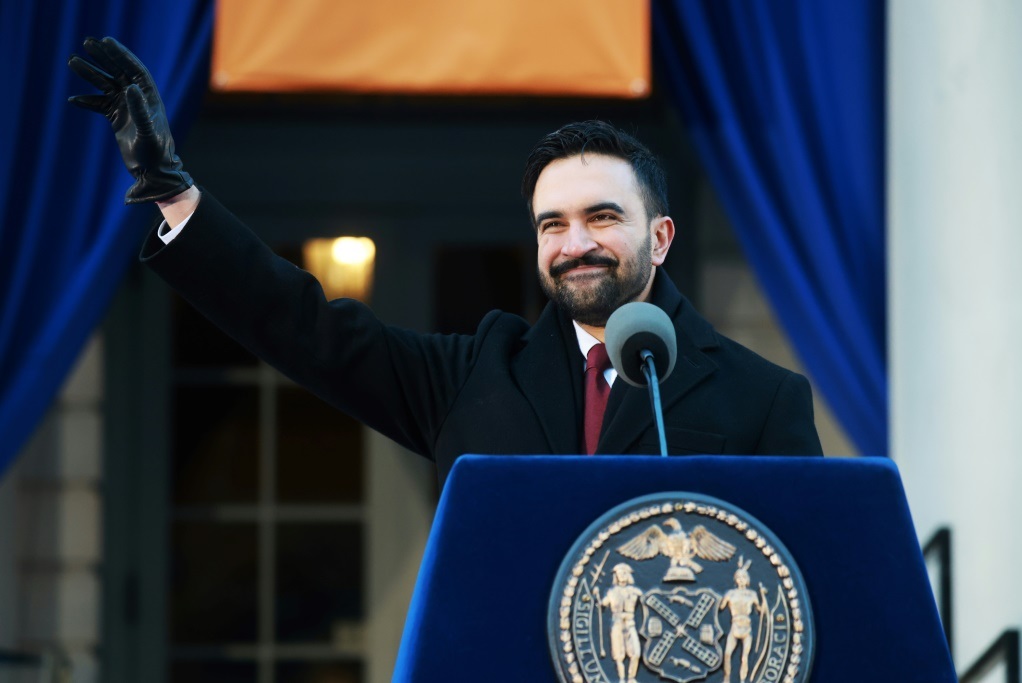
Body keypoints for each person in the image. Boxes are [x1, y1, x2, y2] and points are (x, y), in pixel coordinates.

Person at [68, 37, 822, 487]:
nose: (575, 244)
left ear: (659, 237)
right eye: (551, 224)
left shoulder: (763, 399)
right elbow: (304, 330)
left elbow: (801, 579)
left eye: (602, 217)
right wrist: (176, 200)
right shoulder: (475, 374)